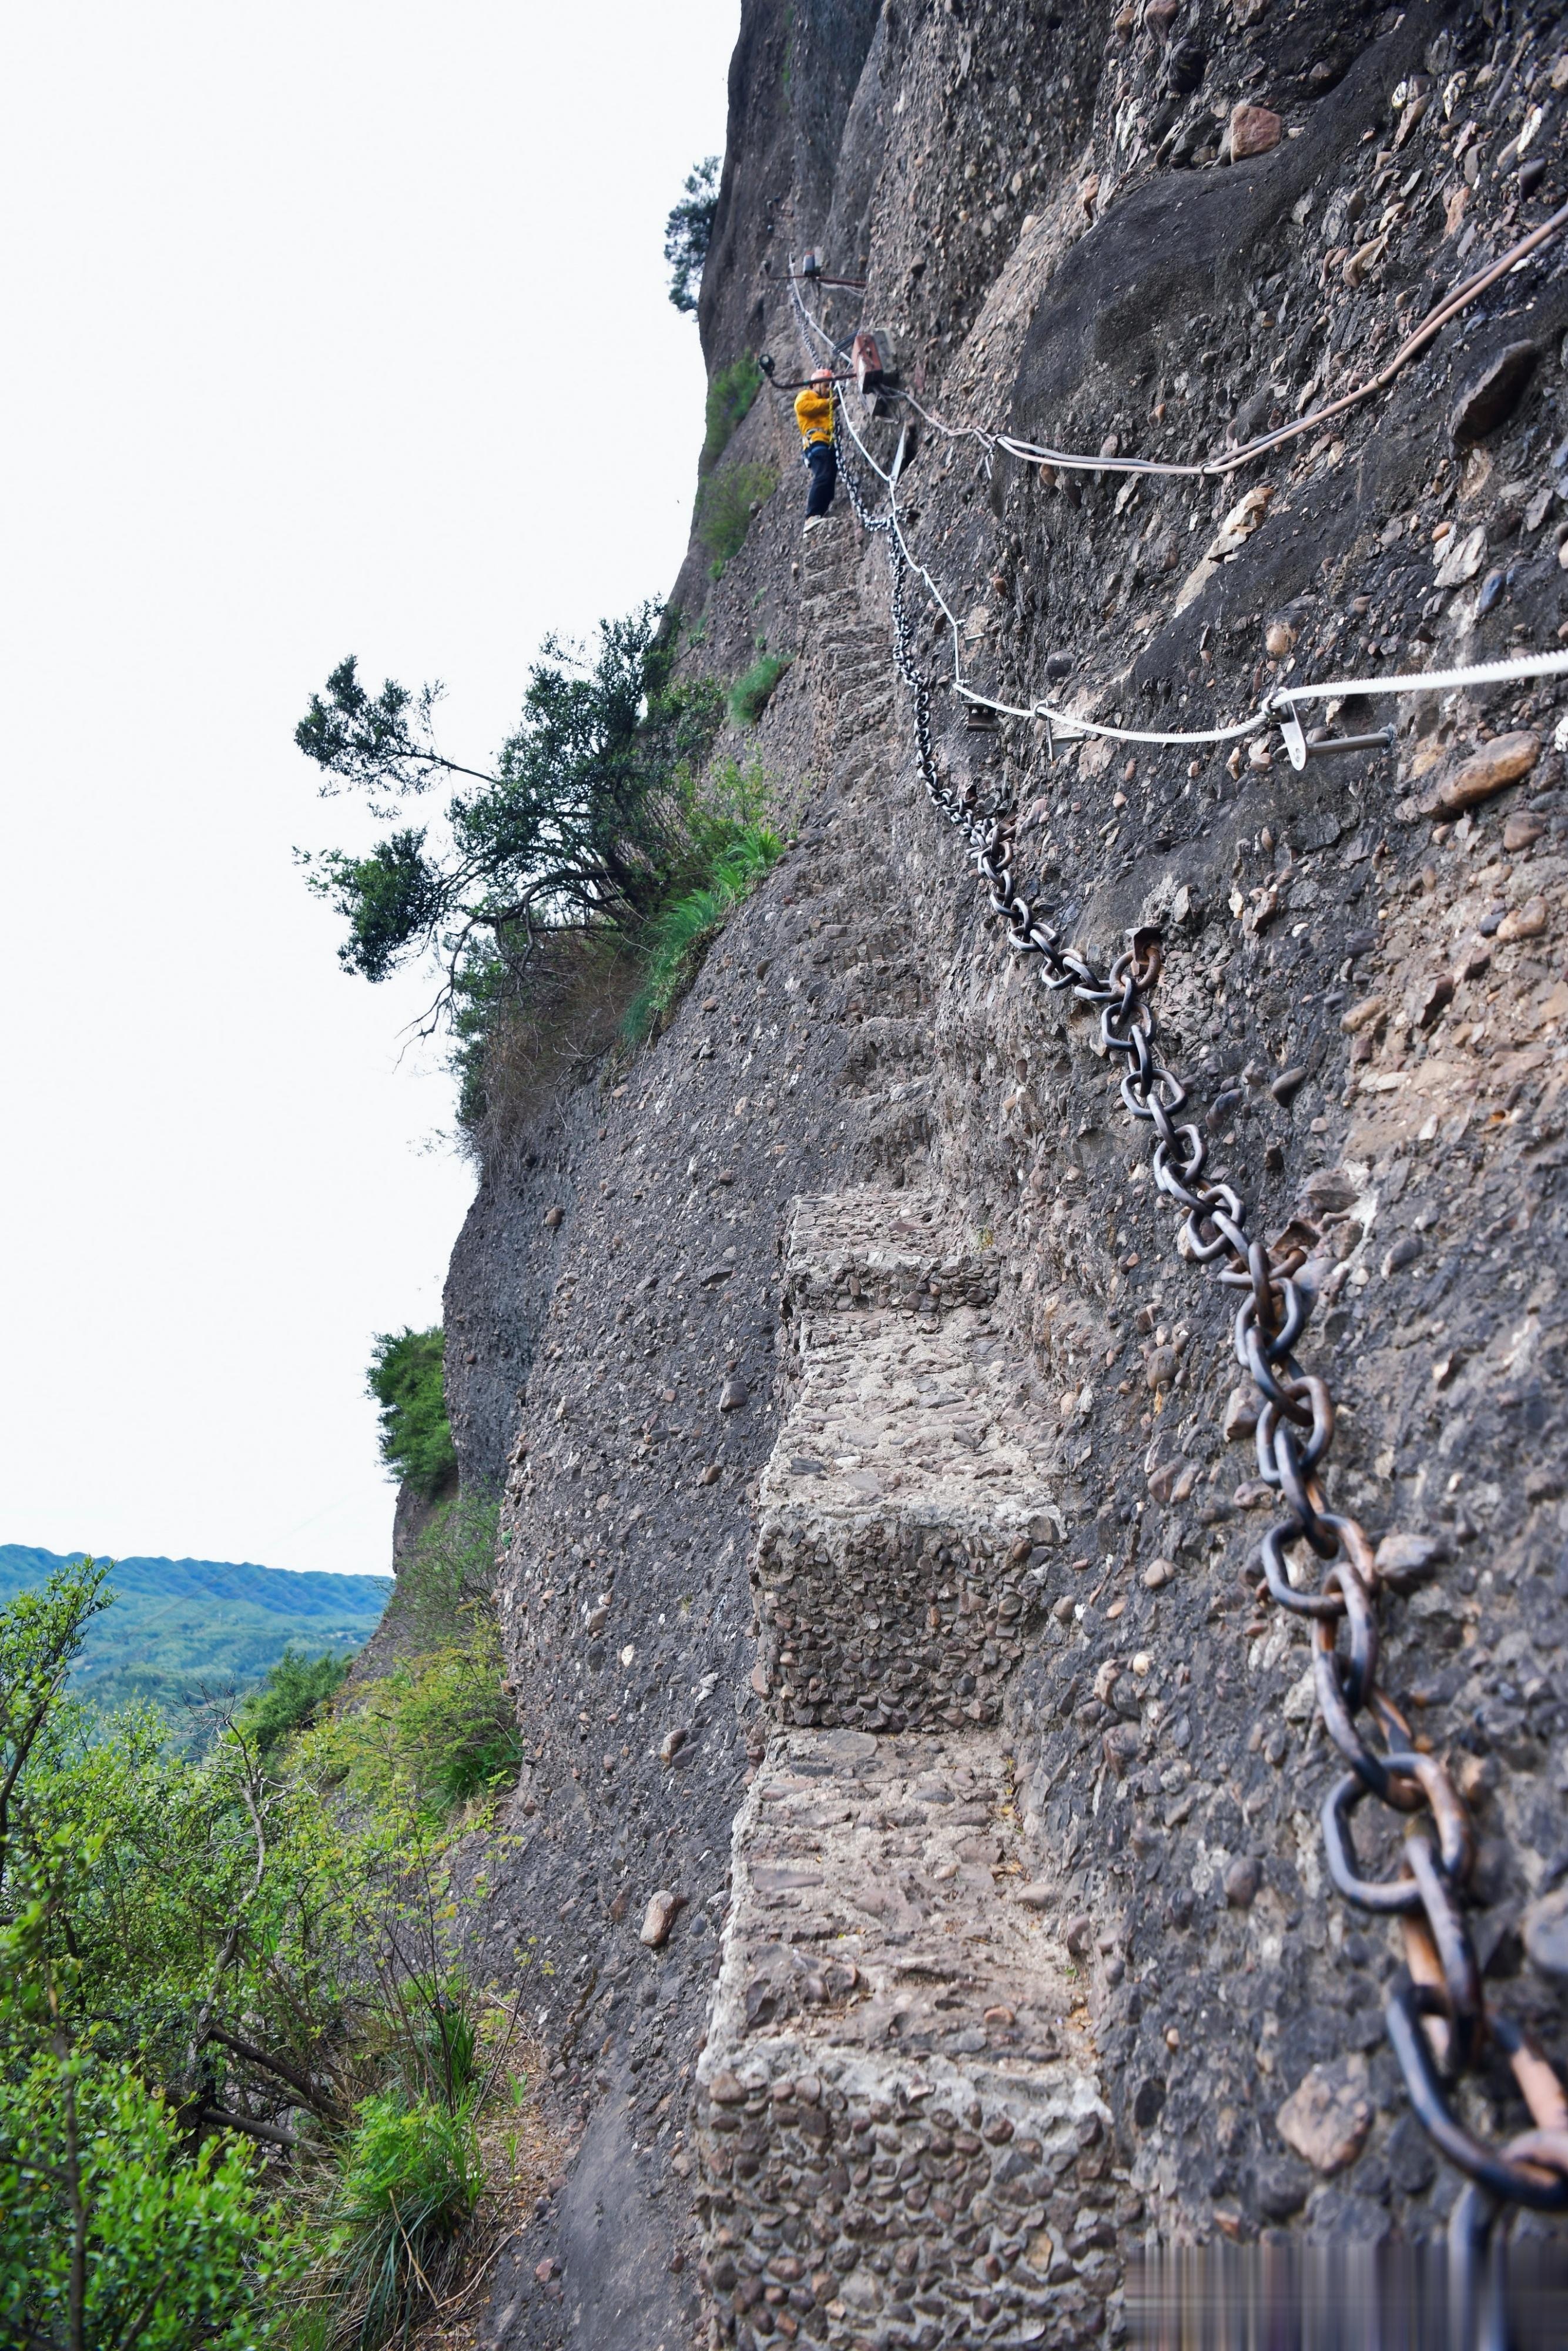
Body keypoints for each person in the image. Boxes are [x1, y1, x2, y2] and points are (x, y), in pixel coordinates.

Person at [795, 367, 837, 533]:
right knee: (823, 475)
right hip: (816, 442)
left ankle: (820, 513)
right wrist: (828, 404)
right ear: (815, 385)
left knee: (830, 477)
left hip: (826, 442)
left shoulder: (823, 403)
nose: (828, 390)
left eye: (829, 387)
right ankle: (812, 515)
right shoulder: (807, 395)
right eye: (825, 386)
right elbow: (802, 407)